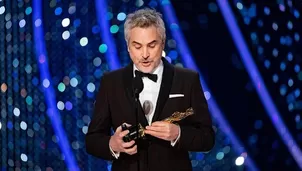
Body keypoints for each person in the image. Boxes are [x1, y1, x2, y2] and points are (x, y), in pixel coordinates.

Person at [85, 8, 215, 171]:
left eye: (151, 45)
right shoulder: (111, 82)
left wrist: (178, 133)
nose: (144, 54)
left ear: (162, 43)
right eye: (137, 46)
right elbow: (92, 140)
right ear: (128, 47)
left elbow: (207, 138)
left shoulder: (187, 80)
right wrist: (113, 144)